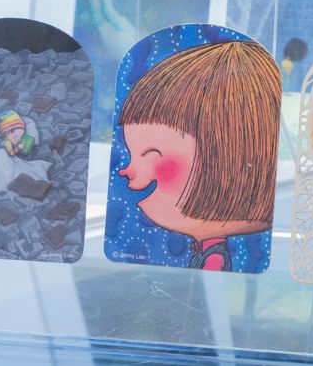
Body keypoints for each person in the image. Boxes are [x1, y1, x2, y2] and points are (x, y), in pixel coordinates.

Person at [116, 40, 281, 271]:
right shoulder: (206, 253)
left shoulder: (214, 261)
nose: (125, 170)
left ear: (223, 164)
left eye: (151, 155)